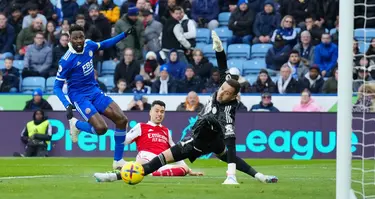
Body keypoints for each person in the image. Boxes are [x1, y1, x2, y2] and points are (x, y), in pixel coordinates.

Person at [96, 31, 278, 185]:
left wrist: (231, 175)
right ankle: (261, 177)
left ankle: (113, 176)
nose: (221, 92)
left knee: (157, 162)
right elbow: (223, 67)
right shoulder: (225, 88)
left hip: (196, 142)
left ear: (233, 96)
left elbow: (231, 141)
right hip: (208, 138)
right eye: (222, 88)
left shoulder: (228, 111)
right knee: (161, 162)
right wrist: (219, 48)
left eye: (226, 92)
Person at [53, 25, 135, 169]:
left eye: (81, 37)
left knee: (122, 120)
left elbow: (104, 44)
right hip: (79, 97)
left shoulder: (89, 45)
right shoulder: (66, 61)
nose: (79, 41)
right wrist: (67, 104)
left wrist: (123, 35)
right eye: (75, 38)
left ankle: (118, 161)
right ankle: (76, 124)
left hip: (95, 91)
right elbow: (57, 87)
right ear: (69, 40)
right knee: (101, 129)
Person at [94, 100, 203, 181]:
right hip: (145, 156)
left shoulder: (166, 131)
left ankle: (145, 172)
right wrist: (122, 129)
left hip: (160, 161)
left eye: (162, 112)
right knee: (143, 162)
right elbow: (123, 141)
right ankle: (118, 174)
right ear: (150, 112)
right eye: (156, 111)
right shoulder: (141, 126)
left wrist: (188, 169)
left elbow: (176, 151)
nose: (159, 114)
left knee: (183, 170)